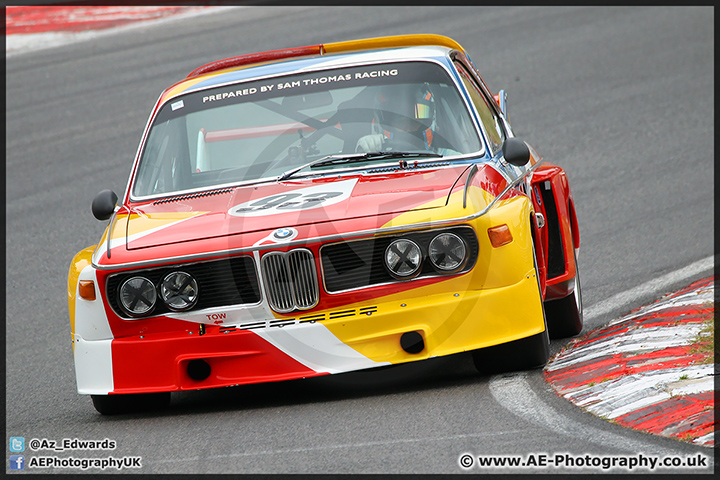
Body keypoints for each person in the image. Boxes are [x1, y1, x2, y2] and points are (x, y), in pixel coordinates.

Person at [356, 84, 460, 156]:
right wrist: (363, 156)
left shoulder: (450, 159)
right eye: (399, 122)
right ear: (381, 121)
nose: (407, 129)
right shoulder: (369, 158)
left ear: (432, 116)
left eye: (415, 121)